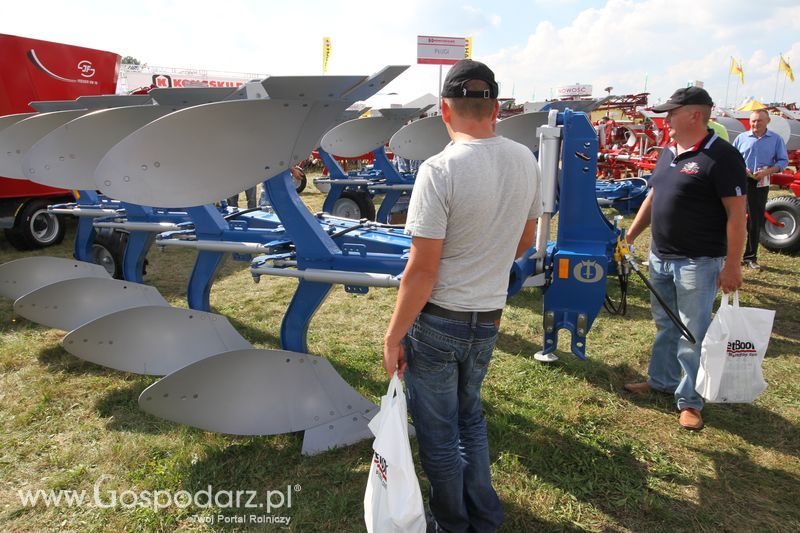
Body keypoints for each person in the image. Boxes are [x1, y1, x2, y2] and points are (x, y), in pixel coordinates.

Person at [382, 59, 541, 532]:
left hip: (438, 321)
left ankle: (452, 521)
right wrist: (488, 262)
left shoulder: (439, 168)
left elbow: (422, 268)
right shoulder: (525, 160)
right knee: (470, 417)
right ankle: (484, 514)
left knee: (438, 431)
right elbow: (526, 240)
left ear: (445, 112)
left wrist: (394, 337)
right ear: (495, 108)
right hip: (488, 316)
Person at [624, 86, 747, 431]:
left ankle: (690, 401)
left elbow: (738, 216)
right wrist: (632, 235)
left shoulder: (721, 157)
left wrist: (733, 264)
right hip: (660, 257)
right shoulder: (669, 151)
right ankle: (660, 380)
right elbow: (654, 195)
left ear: (695, 114)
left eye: (671, 113)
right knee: (666, 326)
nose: (665, 120)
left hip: (698, 261)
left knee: (693, 332)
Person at [733, 109, 789, 271]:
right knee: (733, 218)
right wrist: (741, 168)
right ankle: (728, 255)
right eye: (753, 121)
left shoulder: (776, 139)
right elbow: (732, 157)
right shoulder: (741, 138)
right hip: (740, 181)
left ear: (768, 121)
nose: (755, 124)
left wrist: (767, 171)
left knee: (755, 220)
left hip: (760, 182)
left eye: (759, 121)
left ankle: (750, 257)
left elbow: (783, 161)